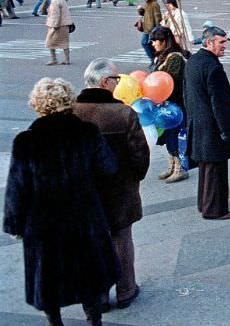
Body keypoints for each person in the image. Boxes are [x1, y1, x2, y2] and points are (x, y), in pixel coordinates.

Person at [3, 78, 119, 326]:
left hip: (43, 225)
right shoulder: (87, 133)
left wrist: (14, 224)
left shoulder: (26, 141)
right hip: (83, 219)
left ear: (38, 105)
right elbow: (108, 169)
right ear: (69, 101)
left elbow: (17, 188)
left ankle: (55, 322)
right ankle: (94, 320)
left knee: (48, 280)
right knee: (90, 277)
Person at [73, 59, 150, 309]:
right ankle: (126, 289)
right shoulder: (123, 114)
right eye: (116, 79)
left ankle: (99, 296)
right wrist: (134, 178)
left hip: (84, 192)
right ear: (105, 82)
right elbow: (140, 154)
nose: (118, 83)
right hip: (120, 190)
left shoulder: (71, 113)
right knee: (122, 240)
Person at [184, 26, 230, 220]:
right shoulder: (213, 67)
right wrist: (227, 132)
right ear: (208, 43)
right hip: (212, 127)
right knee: (216, 171)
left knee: (206, 170)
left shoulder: (193, 61)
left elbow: (186, 94)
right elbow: (220, 104)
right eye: (221, 42)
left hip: (197, 123)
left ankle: (204, 204)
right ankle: (214, 210)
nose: (225, 46)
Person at [150, 26, 190, 182]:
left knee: (176, 136)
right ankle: (172, 165)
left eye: (155, 40)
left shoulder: (175, 58)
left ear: (164, 41)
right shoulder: (162, 57)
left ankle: (181, 168)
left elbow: (171, 81)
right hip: (165, 103)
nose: (153, 43)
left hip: (176, 104)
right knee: (168, 136)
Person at [44, 0, 73, 66]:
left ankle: (53, 59)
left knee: (50, 42)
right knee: (64, 42)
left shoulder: (55, 2)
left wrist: (54, 26)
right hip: (65, 24)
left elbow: (55, 15)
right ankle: (67, 59)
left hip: (57, 25)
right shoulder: (62, 0)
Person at [141, 0, 162, 65]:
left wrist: (157, 28)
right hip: (146, 28)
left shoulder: (155, 4)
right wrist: (140, 10)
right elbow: (142, 14)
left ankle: (154, 59)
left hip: (153, 29)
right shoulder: (146, 4)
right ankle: (153, 59)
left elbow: (158, 17)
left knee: (147, 44)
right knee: (145, 43)